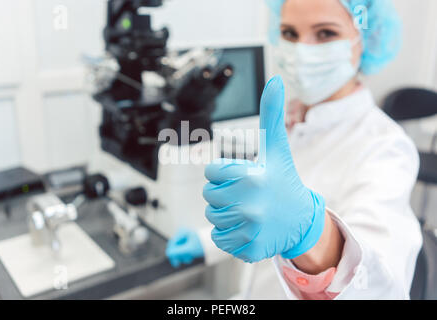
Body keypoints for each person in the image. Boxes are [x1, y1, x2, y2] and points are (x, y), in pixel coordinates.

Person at [166, 0, 422, 299]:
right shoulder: (287, 119)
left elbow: (380, 287)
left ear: (365, 37)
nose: (302, 50)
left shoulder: (386, 148)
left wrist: (311, 236)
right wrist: (208, 240)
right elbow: (266, 214)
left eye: (325, 33)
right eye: (289, 32)